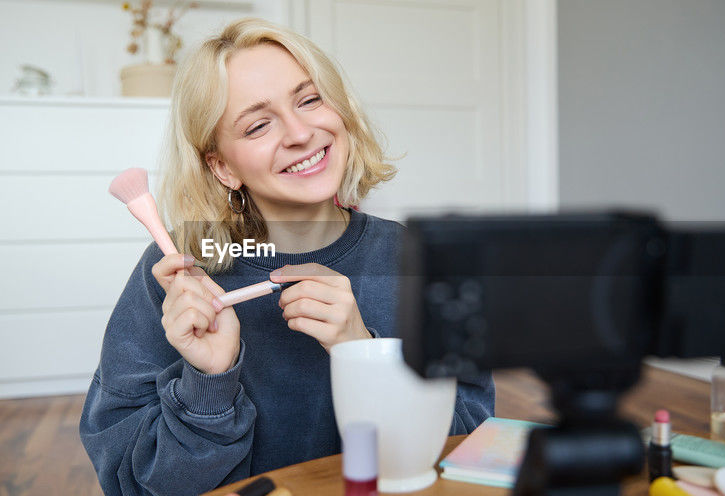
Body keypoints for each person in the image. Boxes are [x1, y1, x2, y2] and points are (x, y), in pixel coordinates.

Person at [79, 18, 494, 496]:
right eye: (258, 125)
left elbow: (468, 450)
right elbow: (132, 483)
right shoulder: (178, 274)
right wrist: (209, 385)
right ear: (222, 166)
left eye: (310, 99)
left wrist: (361, 351)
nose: (300, 133)